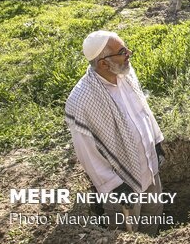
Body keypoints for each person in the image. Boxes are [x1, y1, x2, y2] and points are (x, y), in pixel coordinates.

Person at [65, 31, 165, 234]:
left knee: (153, 212)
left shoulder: (124, 72)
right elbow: (87, 153)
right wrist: (115, 186)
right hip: (121, 183)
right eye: (122, 51)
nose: (129, 53)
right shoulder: (81, 100)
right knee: (126, 230)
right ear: (103, 63)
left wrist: (156, 142)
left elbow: (143, 110)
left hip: (147, 167)